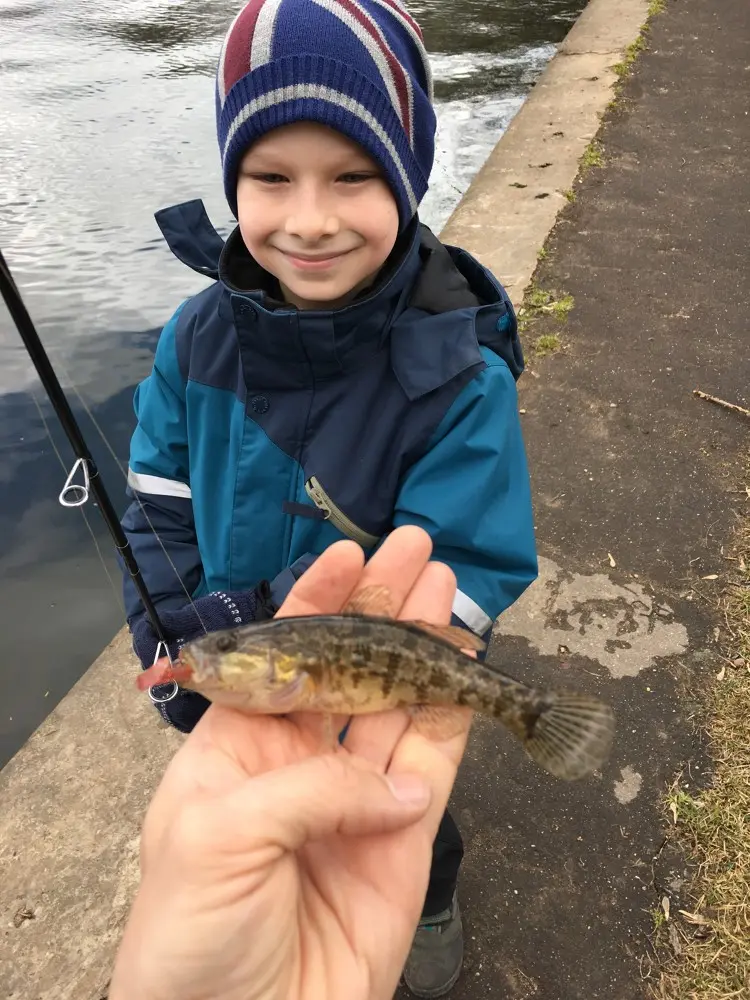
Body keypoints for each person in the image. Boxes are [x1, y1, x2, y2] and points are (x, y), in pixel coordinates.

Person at [119, 1, 537, 994]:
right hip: (250, 658)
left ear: (406, 178)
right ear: (234, 182)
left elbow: (470, 555)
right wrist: (178, 623)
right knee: (269, 822)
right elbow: (154, 500)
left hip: (386, 679)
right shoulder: (192, 340)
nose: (308, 218)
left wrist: (388, 658)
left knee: (403, 804)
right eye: (270, 177)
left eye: (353, 177)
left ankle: (427, 897)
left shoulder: (460, 375)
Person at [109, 526, 475, 1000]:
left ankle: (432, 902)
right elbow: (154, 511)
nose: (209, 656)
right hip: (256, 603)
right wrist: (158, 618)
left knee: (413, 816)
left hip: (342, 643)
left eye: (226, 648)